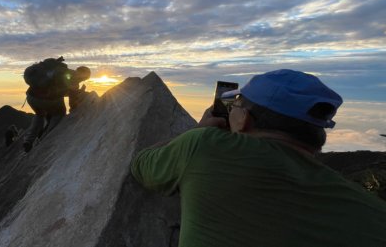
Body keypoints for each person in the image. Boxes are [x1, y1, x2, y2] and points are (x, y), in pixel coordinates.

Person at [131, 69, 386, 247]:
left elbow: (142, 165)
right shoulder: (373, 212)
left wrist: (199, 130)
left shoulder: (205, 146)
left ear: (243, 119)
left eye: (237, 106)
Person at [22, 57, 91, 153]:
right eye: (85, 78)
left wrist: (77, 92)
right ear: (84, 76)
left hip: (31, 97)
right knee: (59, 113)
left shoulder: (60, 70)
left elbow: (60, 88)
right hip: (46, 99)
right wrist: (74, 108)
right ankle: (46, 138)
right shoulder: (74, 79)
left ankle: (28, 140)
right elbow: (72, 100)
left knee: (39, 115)